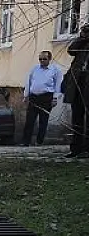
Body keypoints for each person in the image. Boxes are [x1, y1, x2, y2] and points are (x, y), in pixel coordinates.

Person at [21, 51, 63, 146]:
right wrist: (26, 95)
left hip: (46, 97)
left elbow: (58, 85)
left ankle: (39, 141)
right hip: (34, 97)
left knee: (43, 121)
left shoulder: (55, 70)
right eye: (40, 59)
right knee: (29, 120)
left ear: (49, 59)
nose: (42, 61)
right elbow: (29, 82)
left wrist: (55, 98)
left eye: (44, 59)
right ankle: (25, 141)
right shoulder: (35, 69)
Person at [63, 24, 89, 158]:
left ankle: (87, 148)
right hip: (78, 81)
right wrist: (82, 38)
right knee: (77, 116)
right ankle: (76, 148)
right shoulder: (82, 43)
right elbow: (71, 50)